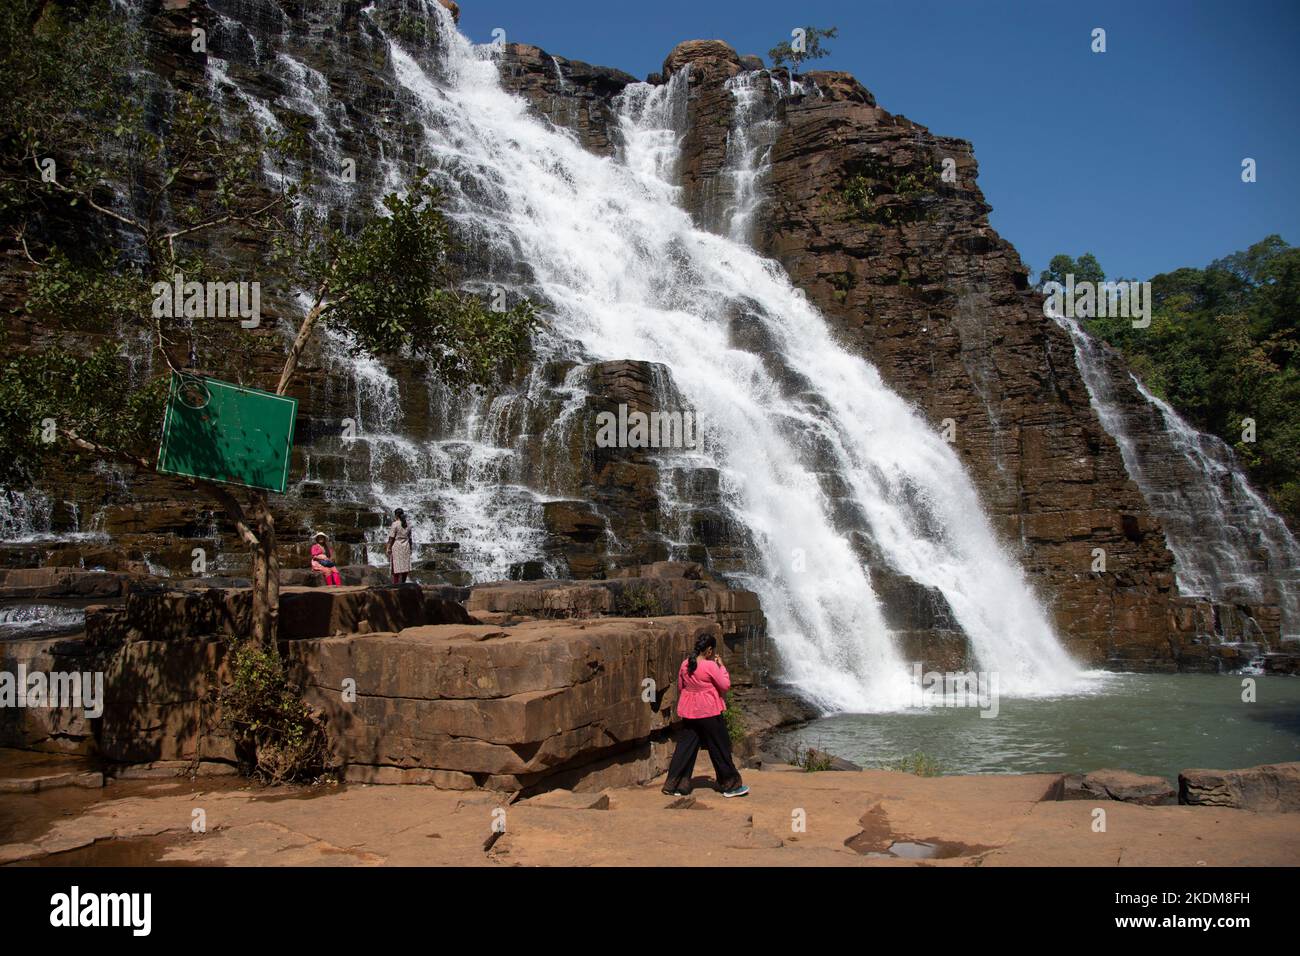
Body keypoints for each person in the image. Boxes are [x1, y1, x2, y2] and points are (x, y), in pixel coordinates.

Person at [662, 633, 749, 798]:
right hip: (709, 711)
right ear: (709, 650)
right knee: (719, 747)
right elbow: (725, 685)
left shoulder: (685, 664)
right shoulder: (710, 666)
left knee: (685, 748)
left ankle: (675, 784)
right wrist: (721, 667)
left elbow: (681, 687)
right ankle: (730, 785)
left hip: (689, 711)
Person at [386, 508, 413, 585]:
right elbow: (410, 538)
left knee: (396, 566)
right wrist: (411, 548)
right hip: (406, 545)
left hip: (397, 545)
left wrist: (388, 547)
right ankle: (403, 583)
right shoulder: (408, 524)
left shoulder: (395, 524)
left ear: (396, 515)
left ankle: (396, 583)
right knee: (405, 565)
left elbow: (391, 537)